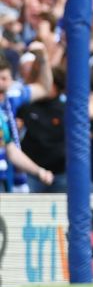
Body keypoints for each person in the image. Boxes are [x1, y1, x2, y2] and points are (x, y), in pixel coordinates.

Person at [0, 45, 55, 192]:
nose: (3, 83)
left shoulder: (11, 99)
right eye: (0, 78)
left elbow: (44, 88)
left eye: (6, 78)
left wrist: (43, 59)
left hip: (9, 178)